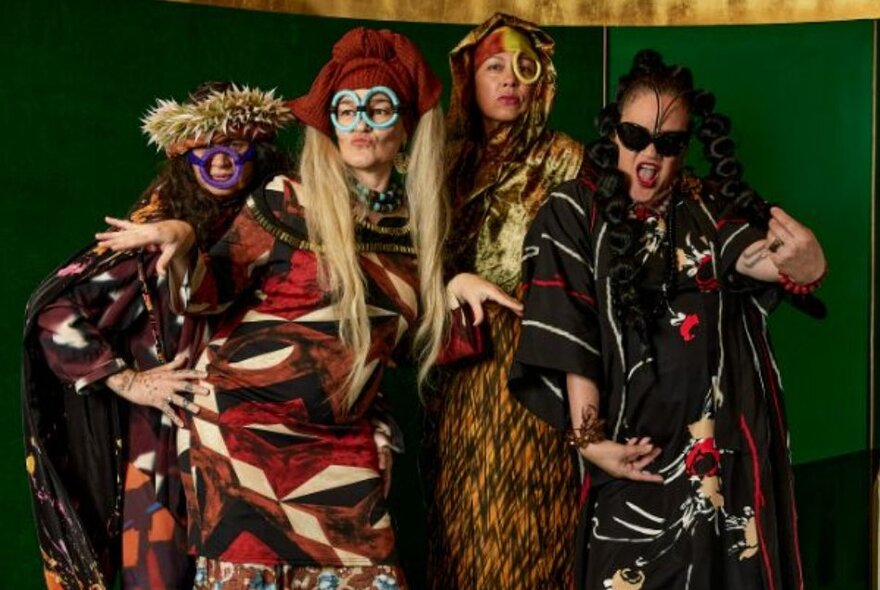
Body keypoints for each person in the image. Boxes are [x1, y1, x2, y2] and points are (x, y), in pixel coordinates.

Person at [97, 28, 519, 590]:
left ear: (405, 123)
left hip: (340, 445)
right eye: (347, 111)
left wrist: (452, 283)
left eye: (377, 106)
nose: (362, 124)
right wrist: (182, 239)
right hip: (242, 434)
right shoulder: (287, 198)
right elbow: (209, 293)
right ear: (331, 126)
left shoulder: (419, 228)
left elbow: (398, 333)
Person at [510, 50, 825, 590]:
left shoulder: (708, 205)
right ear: (614, 132)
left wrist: (801, 263)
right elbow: (569, 325)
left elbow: (753, 257)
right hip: (634, 457)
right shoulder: (572, 211)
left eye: (669, 142)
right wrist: (589, 441)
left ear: (685, 149)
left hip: (718, 460)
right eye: (635, 136)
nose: (649, 152)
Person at [22, 81, 292, 590]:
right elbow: (52, 312)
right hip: (168, 452)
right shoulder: (153, 237)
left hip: (264, 448)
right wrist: (128, 381)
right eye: (206, 147)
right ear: (183, 155)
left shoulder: (288, 224)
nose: (220, 161)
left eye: (236, 147)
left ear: (260, 152)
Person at [425, 13, 586, 588]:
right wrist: (449, 282)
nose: (510, 80)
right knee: (463, 519)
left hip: (535, 359)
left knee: (531, 519)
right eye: (495, 66)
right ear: (469, 77)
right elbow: (409, 255)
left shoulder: (566, 157)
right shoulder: (441, 160)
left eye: (525, 67)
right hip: (458, 362)